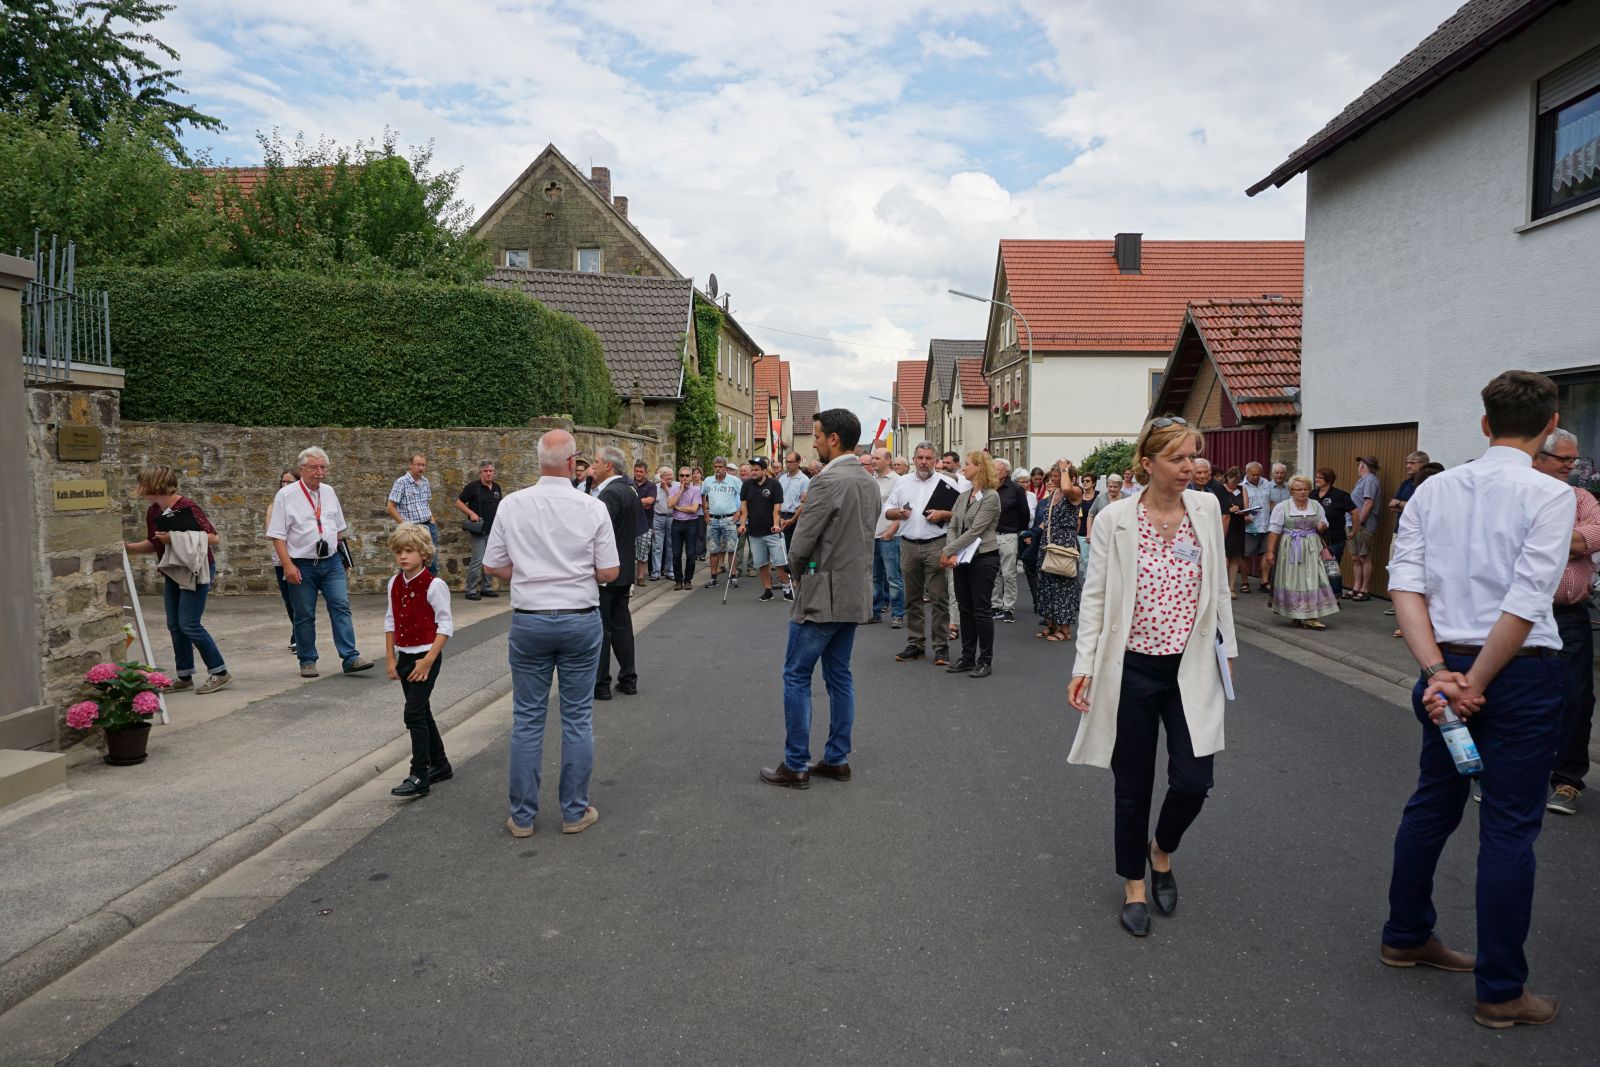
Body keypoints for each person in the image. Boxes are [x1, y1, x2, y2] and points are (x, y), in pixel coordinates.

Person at [1383, 370, 1573, 1029]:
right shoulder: (1552, 494)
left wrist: (1440, 673)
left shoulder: (1434, 489)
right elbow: (1527, 599)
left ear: (1485, 423)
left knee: (1432, 803)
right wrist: (1478, 683)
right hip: (1517, 673)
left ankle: (1405, 934)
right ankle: (1500, 989)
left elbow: (1404, 583)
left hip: (1444, 666)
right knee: (1510, 827)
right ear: (1551, 425)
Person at [1068, 415, 1236, 938]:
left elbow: (1219, 587)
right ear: (1147, 463)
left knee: (1193, 782)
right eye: (1177, 458)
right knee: (1133, 785)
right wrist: (1084, 666)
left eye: (1193, 456)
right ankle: (1135, 884)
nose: (1190, 467)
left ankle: (1161, 849)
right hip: (1131, 669)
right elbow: (1095, 598)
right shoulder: (1114, 518)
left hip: (1191, 666)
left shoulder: (1205, 509)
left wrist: (1228, 649)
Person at [485, 428, 618, 838]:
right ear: (572, 462)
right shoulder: (592, 507)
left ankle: (523, 817)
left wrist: (528, 572)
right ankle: (574, 812)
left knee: (527, 719)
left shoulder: (512, 504)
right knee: (577, 717)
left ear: (539, 460)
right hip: (579, 616)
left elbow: (493, 565)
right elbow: (609, 571)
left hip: (531, 617)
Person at [760, 409, 877, 788]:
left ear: (834, 440)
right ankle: (837, 758)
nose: (814, 443)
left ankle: (795, 763)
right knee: (840, 676)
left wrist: (794, 573)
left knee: (796, 675)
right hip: (854, 592)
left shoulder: (827, 482)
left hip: (822, 595)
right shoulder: (869, 481)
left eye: (817, 436)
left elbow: (801, 542)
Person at [1532, 428, 1600, 817]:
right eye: (1564, 458)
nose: (1572, 466)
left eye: (1574, 459)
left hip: (1568, 616)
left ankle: (1567, 780)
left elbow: (1597, 533)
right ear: (1537, 456)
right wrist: (1574, 543)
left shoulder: (1581, 498)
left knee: (1576, 697)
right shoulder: (1519, 493)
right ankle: (1497, 770)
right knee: (1509, 690)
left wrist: (1541, 541)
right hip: (1518, 613)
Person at [268, 447, 373, 679]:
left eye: (323, 467)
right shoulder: (286, 495)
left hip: (331, 562)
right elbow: (277, 535)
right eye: (314, 467)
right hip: (301, 563)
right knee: (304, 614)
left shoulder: (329, 492)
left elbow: (338, 529)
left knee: (341, 605)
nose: (319, 472)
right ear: (301, 469)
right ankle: (307, 660)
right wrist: (287, 565)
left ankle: (350, 657)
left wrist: (343, 558)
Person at [124, 465, 229, 695]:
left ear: (155, 484)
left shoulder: (186, 507)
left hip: (195, 569)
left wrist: (173, 538)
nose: (140, 488)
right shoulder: (154, 511)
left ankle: (220, 672)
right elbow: (154, 543)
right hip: (173, 570)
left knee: (189, 623)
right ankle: (184, 675)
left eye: (143, 483)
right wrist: (128, 548)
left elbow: (213, 538)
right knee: (174, 624)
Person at [383, 523, 453, 799]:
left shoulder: (435, 585)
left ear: (424, 553)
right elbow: (390, 620)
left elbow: (445, 625)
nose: (403, 556)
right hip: (404, 656)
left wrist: (428, 660)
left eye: (409, 551)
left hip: (426, 656)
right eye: (399, 551)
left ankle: (419, 773)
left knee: (413, 713)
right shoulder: (394, 583)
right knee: (421, 711)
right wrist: (391, 657)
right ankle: (440, 764)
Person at [885, 442, 958, 666]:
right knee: (912, 599)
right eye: (920, 458)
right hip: (908, 545)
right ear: (913, 459)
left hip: (937, 544)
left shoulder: (947, 483)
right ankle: (915, 643)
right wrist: (897, 513)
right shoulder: (902, 482)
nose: (924, 462)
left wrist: (944, 514)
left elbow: (961, 515)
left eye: (928, 458)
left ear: (935, 460)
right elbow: (887, 510)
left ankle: (941, 646)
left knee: (939, 599)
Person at [942, 451, 1002, 677]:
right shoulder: (963, 496)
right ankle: (967, 657)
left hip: (983, 557)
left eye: (967, 464)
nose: (963, 468)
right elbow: (953, 526)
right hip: (962, 558)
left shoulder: (991, 497)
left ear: (979, 467)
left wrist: (948, 551)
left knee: (981, 610)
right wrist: (952, 552)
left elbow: (976, 530)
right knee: (965, 609)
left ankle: (985, 660)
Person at [590, 446, 638, 701]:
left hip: (608, 571)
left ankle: (601, 684)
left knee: (603, 628)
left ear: (608, 465)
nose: (593, 467)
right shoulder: (629, 490)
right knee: (622, 626)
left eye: (596, 462)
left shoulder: (609, 494)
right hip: (625, 568)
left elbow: (596, 533)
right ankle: (628, 679)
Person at [1263, 475, 1339, 630]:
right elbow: (1274, 531)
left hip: (1312, 547)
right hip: (1290, 547)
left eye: (1305, 489)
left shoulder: (1316, 505)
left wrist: (1322, 526)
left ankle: (1310, 616)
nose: (1302, 492)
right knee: (1293, 579)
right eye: (1298, 489)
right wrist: (1270, 552)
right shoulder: (1282, 507)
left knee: (1313, 578)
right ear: (1291, 491)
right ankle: (1297, 614)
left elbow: (1323, 524)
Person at [1034, 465, 1084, 642]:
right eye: (1052, 476)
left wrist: (1064, 470)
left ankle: (1065, 630)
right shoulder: (1054, 493)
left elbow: (1067, 489)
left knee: (1063, 586)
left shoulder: (1075, 491)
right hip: (1048, 543)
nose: (1052, 479)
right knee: (1047, 584)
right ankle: (1052, 624)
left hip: (1063, 545)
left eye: (1056, 476)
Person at [738, 456, 792, 602]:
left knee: (780, 562)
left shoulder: (774, 484)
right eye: (752, 470)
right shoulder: (747, 485)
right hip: (754, 532)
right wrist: (742, 524)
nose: (753, 472)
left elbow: (777, 508)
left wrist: (776, 524)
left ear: (763, 471)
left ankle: (787, 588)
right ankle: (768, 590)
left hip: (772, 531)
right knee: (762, 563)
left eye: (756, 470)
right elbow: (744, 508)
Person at [990, 458, 1031, 625]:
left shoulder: (1016, 489)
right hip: (990, 534)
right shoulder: (988, 487)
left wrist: (1016, 530)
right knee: (993, 572)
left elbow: (1025, 514)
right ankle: (995, 606)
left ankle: (1008, 608)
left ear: (1005, 472)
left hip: (1008, 534)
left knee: (1008, 573)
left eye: (996, 469)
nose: (992, 471)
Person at [454, 460, 503, 600]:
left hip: (493, 531)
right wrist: (471, 513)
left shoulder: (497, 488)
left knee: (490, 560)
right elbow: (458, 502)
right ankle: (470, 590)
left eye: (490, 471)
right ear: (480, 473)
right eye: (485, 471)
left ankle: (486, 588)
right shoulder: (473, 487)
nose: (488, 473)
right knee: (477, 560)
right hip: (479, 531)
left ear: (493, 472)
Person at [265, 468, 300, 655]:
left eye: (289, 482)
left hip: (299, 557)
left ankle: (298, 638)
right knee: (288, 599)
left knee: (298, 599)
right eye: (283, 482)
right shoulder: (274, 505)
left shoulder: (303, 504)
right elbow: (270, 531)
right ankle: (296, 635)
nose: (285, 485)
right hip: (280, 558)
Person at [869, 446, 905, 627]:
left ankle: (897, 614)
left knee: (893, 578)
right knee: (875, 578)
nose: (873, 461)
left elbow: (904, 509)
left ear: (888, 460)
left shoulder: (898, 480)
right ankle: (874, 612)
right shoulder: (873, 480)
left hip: (890, 536)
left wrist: (891, 531)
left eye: (877, 458)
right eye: (873, 458)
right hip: (873, 535)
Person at [386, 452, 439, 575]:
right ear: (410, 465)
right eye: (418, 465)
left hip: (428, 527)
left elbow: (426, 503)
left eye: (423, 465)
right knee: (409, 562)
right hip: (411, 529)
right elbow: (390, 506)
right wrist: (405, 526)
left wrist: (432, 520)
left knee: (431, 562)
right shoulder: (401, 482)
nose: (421, 468)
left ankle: (429, 586)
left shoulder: (425, 482)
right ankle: (405, 585)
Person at [1314, 468, 1357, 601]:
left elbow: (1355, 513)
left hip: (1334, 537)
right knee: (1316, 567)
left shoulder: (1340, 495)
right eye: (1316, 477)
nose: (1316, 479)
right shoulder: (1312, 494)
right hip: (1315, 537)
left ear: (1329, 480)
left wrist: (1354, 530)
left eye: (1320, 477)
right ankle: (1319, 595)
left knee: (1331, 567)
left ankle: (1335, 596)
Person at [701, 457, 742, 588]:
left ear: (725, 468)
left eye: (720, 467)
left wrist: (739, 512)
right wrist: (705, 512)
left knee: (731, 549)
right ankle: (713, 578)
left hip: (729, 518)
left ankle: (733, 576)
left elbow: (744, 496)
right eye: (716, 467)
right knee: (713, 550)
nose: (718, 469)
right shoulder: (708, 480)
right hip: (713, 519)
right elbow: (702, 495)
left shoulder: (734, 480)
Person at [1349, 456, 1382, 601]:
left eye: (1359, 464)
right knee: (1355, 557)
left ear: (1363, 466)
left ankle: (1365, 590)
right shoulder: (1362, 480)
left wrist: (1359, 522)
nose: (1358, 467)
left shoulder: (1370, 480)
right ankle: (1356, 588)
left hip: (1363, 525)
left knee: (1364, 557)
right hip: (1352, 523)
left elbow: (1368, 503)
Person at [666, 464, 702, 589]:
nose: (684, 478)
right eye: (682, 475)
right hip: (677, 523)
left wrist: (678, 507)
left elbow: (694, 509)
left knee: (691, 554)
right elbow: (670, 504)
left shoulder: (695, 490)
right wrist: (680, 491)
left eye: (687, 475)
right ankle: (678, 580)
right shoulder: (674, 489)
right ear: (679, 477)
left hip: (691, 524)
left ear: (691, 477)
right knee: (676, 554)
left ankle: (688, 580)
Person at [1240, 462, 1271, 593]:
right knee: (1246, 555)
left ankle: (1264, 580)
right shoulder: (1241, 486)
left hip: (1266, 524)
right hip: (1250, 526)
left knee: (1267, 552)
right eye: (1253, 475)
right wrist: (1244, 516)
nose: (1256, 477)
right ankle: (1244, 581)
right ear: (1247, 473)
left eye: (1258, 474)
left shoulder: (1266, 483)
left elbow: (1271, 501)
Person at [1220, 467, 1248, 598]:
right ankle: (1221, 587)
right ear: (1227, 477)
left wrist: (1242, 511)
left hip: (1238, 526)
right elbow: (1215, 508)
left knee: (1235, 558)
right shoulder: (1220, 489)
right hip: (1224, 525)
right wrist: (1229, 510)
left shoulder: (1242, 489)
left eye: (1238, 481)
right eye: (1233, 481)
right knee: (1223, 557)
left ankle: (1231, 588)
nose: (1235, 483)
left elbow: (1246, 508)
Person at [630, 461, 655, 587]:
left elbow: (650, 501)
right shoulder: (629, 485)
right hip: (630, 524)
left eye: (641, 471)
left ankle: (640, 577)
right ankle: (630, 577)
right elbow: (644, 503)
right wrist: (642, 503)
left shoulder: (651, 486)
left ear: (646, 473)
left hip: (646, 524)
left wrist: (632, 502)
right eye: (636, 471)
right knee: (629, 552)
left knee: (643, 551)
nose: (638, 474)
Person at [778, 451, 810, 550]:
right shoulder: (782, 478)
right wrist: (778, 516)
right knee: (780, 546)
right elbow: (777, 499)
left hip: (794, 517)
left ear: (798, 462)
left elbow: (804, 503)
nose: (788, 464)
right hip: (780, 516)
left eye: (791, 462)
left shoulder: (804, 480)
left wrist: (792, 520)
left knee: (791, 546)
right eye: (787, 462)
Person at [649, 467, 674, 581]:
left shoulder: (676, 486)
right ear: (661, 477)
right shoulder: (655, 488)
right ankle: (656, 572)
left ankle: (669, 571)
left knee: (670, 546)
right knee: (657, 546)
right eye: (667, 475)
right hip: (658, 517)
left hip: (671, 517)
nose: (669, 477)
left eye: (671, 475)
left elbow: (674, 499)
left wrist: (666, 488)